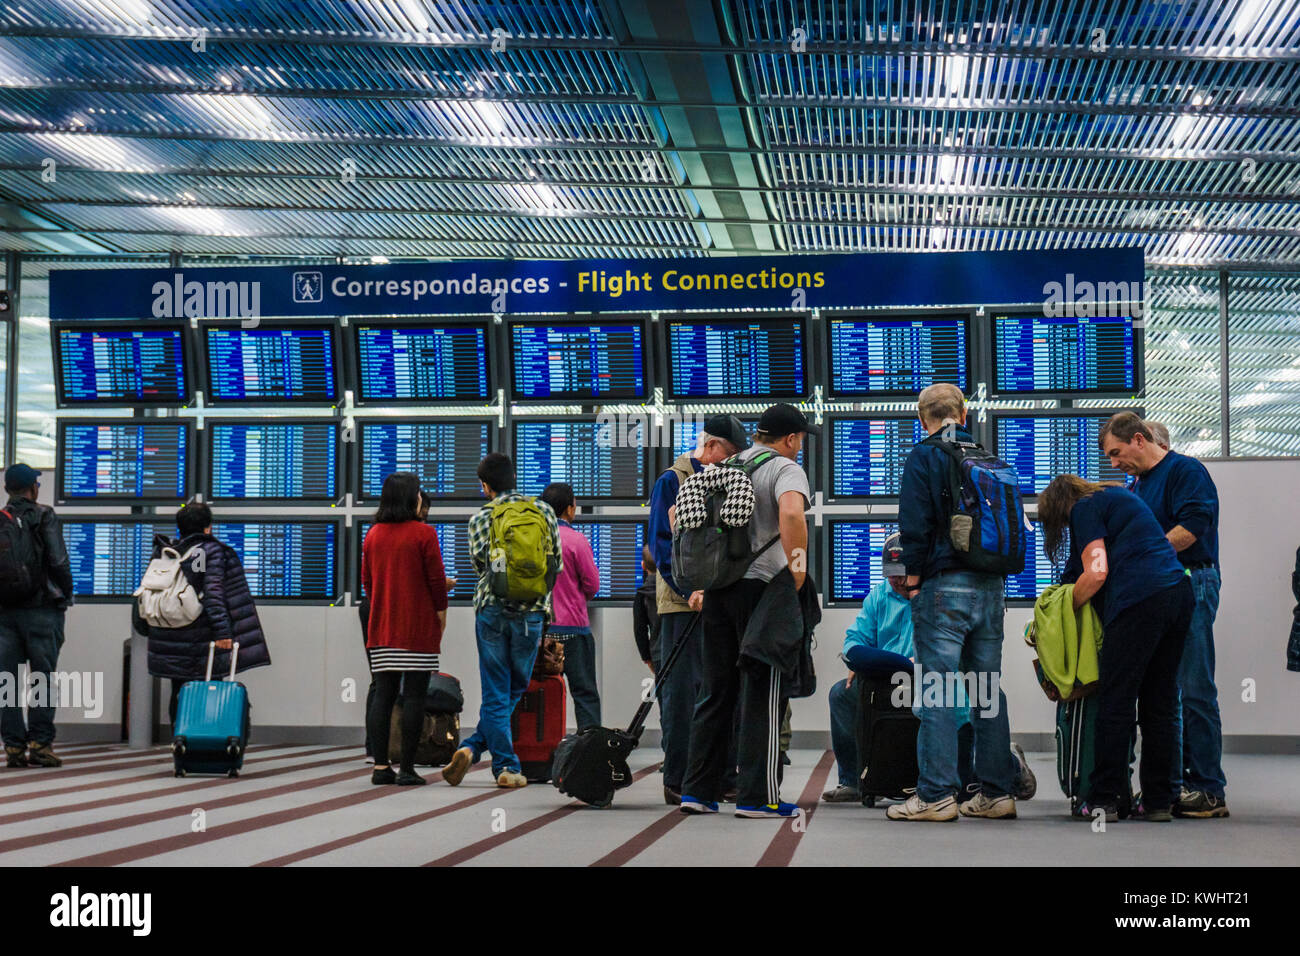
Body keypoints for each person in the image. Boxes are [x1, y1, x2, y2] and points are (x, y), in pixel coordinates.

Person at [823, 533, 1035, 804]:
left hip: (935, 681)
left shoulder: (936, 598)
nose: (896, 580)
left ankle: (1010, 766)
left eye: (901, 573)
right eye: (890, 573)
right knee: (841, 694)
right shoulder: (878, 597)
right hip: (889, 682)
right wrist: (877, 663)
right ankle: (852, 780)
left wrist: (875, 660)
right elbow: (853, 645)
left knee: (972, 701)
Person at [680, 403, 817, 820]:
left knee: (715, 690)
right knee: (764, 690)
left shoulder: (728, 463)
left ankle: (698, 791)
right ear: (791, 438)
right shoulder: (785, 468)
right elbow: (791, 512)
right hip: (762, 592)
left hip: (720, 588)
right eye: (800, 441)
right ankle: (759, 797)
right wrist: (797, 570)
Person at [889, 383, 1017, 823]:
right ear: (963, 414)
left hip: (944, 588)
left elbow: (915, 526)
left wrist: (913, 579)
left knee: (938, 691)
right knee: (986, 691)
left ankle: (936, 795)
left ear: (921, 417)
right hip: (991, 588)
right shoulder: (988, 458)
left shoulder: (924, 455)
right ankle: (997, 793)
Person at [1037, 473, 1194, 822]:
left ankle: (1105, 799)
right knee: (1161, 702)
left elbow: (1096, 572)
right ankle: (1157, 801)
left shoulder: (1084, 508)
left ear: (1063, 508)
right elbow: (1076, 568)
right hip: (1178, 595)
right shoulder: (1119, 499)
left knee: (1115, 700)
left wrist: (1060, 611)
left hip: (1139, 601)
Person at [1100, 411, 1228, 819]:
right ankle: (1169, 789)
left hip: (1191, 582)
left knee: (1194, 688)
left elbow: (1192, 526)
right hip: (1155, 590)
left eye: (1117, 453)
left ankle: (1207, 788)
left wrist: (1141, 556)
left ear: (1140, 439)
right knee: (1160, 695)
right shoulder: (1138, 485)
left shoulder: (1186, 471)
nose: (1115, 463)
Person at [443, 453, 561, 789]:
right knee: (514, 688)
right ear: (514, 477)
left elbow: (483, 570)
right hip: (532, 613)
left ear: (485, 486)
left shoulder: (481, 517)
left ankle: (489, 757)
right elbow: (556, 565)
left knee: (497, 690)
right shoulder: (544, 512)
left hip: (492, 610)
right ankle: (485, 753)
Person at [649, 414, 748, 805]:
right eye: (727, 455)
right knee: (681, 696)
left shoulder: (727, 479)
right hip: (680, 605)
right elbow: (662, 545)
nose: (730, 463)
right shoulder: (672, 481)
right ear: (708, 447)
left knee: (723, 691)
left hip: (719, 601)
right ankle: (677, 777)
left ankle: (721, 775)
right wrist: (687, 590)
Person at [133, 502, 272, 735]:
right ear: (208, 528)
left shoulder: (165, 552)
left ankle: (181, 741)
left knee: (180, 689)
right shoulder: (211, 551)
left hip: (169, 636)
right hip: (202, 637)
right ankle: (210, 739)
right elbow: (213, 594)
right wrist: (223, 633)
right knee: (211, 689)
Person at [361, 473, 449, 786]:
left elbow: (368, 584)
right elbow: (437, 581)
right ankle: (408, 769)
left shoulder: (373, 535)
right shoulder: (424, 534)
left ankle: (381, 766)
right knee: (414, 696)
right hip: (417, 628)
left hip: (383, 627)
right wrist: (440, 609)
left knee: (383, 695)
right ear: (412, 499)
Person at [0, 464, 73, 768]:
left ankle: (14, 748)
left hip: (4, 613)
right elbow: (57, 558)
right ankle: (40, 744)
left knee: (7, 681)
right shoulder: (44, 514)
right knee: (42, 679)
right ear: (33, 488)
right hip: (42, 609)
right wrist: (66, 594)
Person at [540, 482, 602, 731]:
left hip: (539, 632)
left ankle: (539, 751)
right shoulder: (576, 541)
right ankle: (588, 754)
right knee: (585, 694)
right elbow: (592, 584)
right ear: (569, 508)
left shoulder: (533, 539)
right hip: (574, 632)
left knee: (539, 693)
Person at [632, 546, 659, 675]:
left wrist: (647, 658)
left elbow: (640, 630)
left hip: (657, 652)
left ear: (643, 565)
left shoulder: (642, 594)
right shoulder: (677, 591)